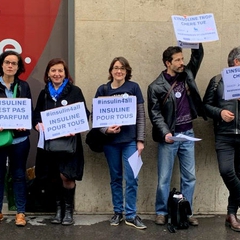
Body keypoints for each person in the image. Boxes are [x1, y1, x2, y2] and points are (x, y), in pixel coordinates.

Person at [147, 43, 207, 226]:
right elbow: (155, 113)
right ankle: (161, 212)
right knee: (164, 178)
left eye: (182, 59)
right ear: (168, 63)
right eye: (178, 60)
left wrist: (193, 37)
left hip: (188, 134)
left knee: (189, 177)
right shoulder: (155, 87)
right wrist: (165, 133)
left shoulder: (187, 74)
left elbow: (197, 56)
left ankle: (186, 212)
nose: (182, 62)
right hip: (170, 137)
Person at [33, 58, 90, 226]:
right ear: (48, 74)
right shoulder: (44, 93)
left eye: (60, 71)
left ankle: (69, 211)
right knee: (53, 177)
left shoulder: (75, 91)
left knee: (67, 176)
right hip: (50, 145)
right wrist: (38, 125)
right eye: (53, 71)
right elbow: (37, 115)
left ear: (65, 74)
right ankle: (58, 211)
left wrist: (76, 127)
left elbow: (84, 114)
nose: (57, 74)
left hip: (69, 144)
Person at [93, 56, 146, 229]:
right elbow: (95, 117)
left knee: (132, 178)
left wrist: (140, 140)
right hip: (110, 143)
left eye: (122, 68)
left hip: (130, 141)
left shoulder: (134, 88)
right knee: (115, 178)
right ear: (111, 71)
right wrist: (106, 130)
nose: (119, 71)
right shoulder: (103, 90)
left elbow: (140, 116)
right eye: (116, 67)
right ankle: (118, 212)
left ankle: (131, 214)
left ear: (127, 71)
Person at [203, 46, 240, 232]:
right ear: (237, 62)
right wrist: (220, 113)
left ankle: (231, 214)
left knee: (239, 174)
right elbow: (205, 107)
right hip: (224, 136)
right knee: (227, 171)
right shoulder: (217, 81)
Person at [0, 50, 32, 226]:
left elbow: (28, 109)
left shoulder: (24, 86)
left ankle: (20, 213)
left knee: (19, 174)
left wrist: (24, 123)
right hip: (0, 138)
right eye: (7, 62)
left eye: (14, 63)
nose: (10, 66)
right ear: (2, 65)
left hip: (19, 139)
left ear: (19, 67)